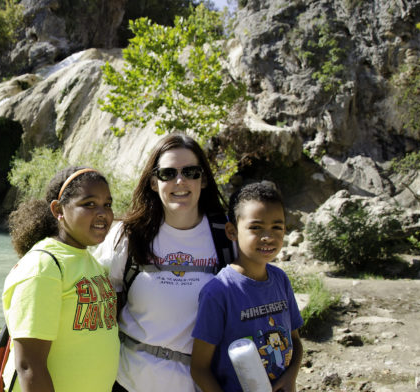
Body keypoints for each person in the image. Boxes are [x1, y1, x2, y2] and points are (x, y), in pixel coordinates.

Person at [95, 134, 233, 392]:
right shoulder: (128, 235)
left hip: (200, 385)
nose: (180, 181)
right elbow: (95, 302)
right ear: (153, 182)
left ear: (203, 180)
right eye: (168, 173)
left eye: (190, 172)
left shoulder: (226, 236)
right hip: (127, 381)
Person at [2, 166, 120, 392]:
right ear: (58, 210)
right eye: (89, 204)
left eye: (107, 204)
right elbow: (29, 365)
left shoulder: (89, 260)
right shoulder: (43, 266)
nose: (103, 213)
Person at [190, 182, 304, 392]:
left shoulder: (280, 280)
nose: (268, 237)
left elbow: (295, 342)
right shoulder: (219, 291)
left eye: (277, 227)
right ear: (232, 231)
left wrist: (291, 377)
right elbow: (199, 368)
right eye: (255, 227)